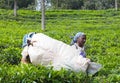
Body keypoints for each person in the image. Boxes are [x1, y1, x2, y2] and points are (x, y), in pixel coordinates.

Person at [21, 32, 102, 75]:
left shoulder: (36, 40)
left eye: (85, 39)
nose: (84, 40)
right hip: (61, 56)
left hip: (65, 58)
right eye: (83, 38)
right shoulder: (37, 38)